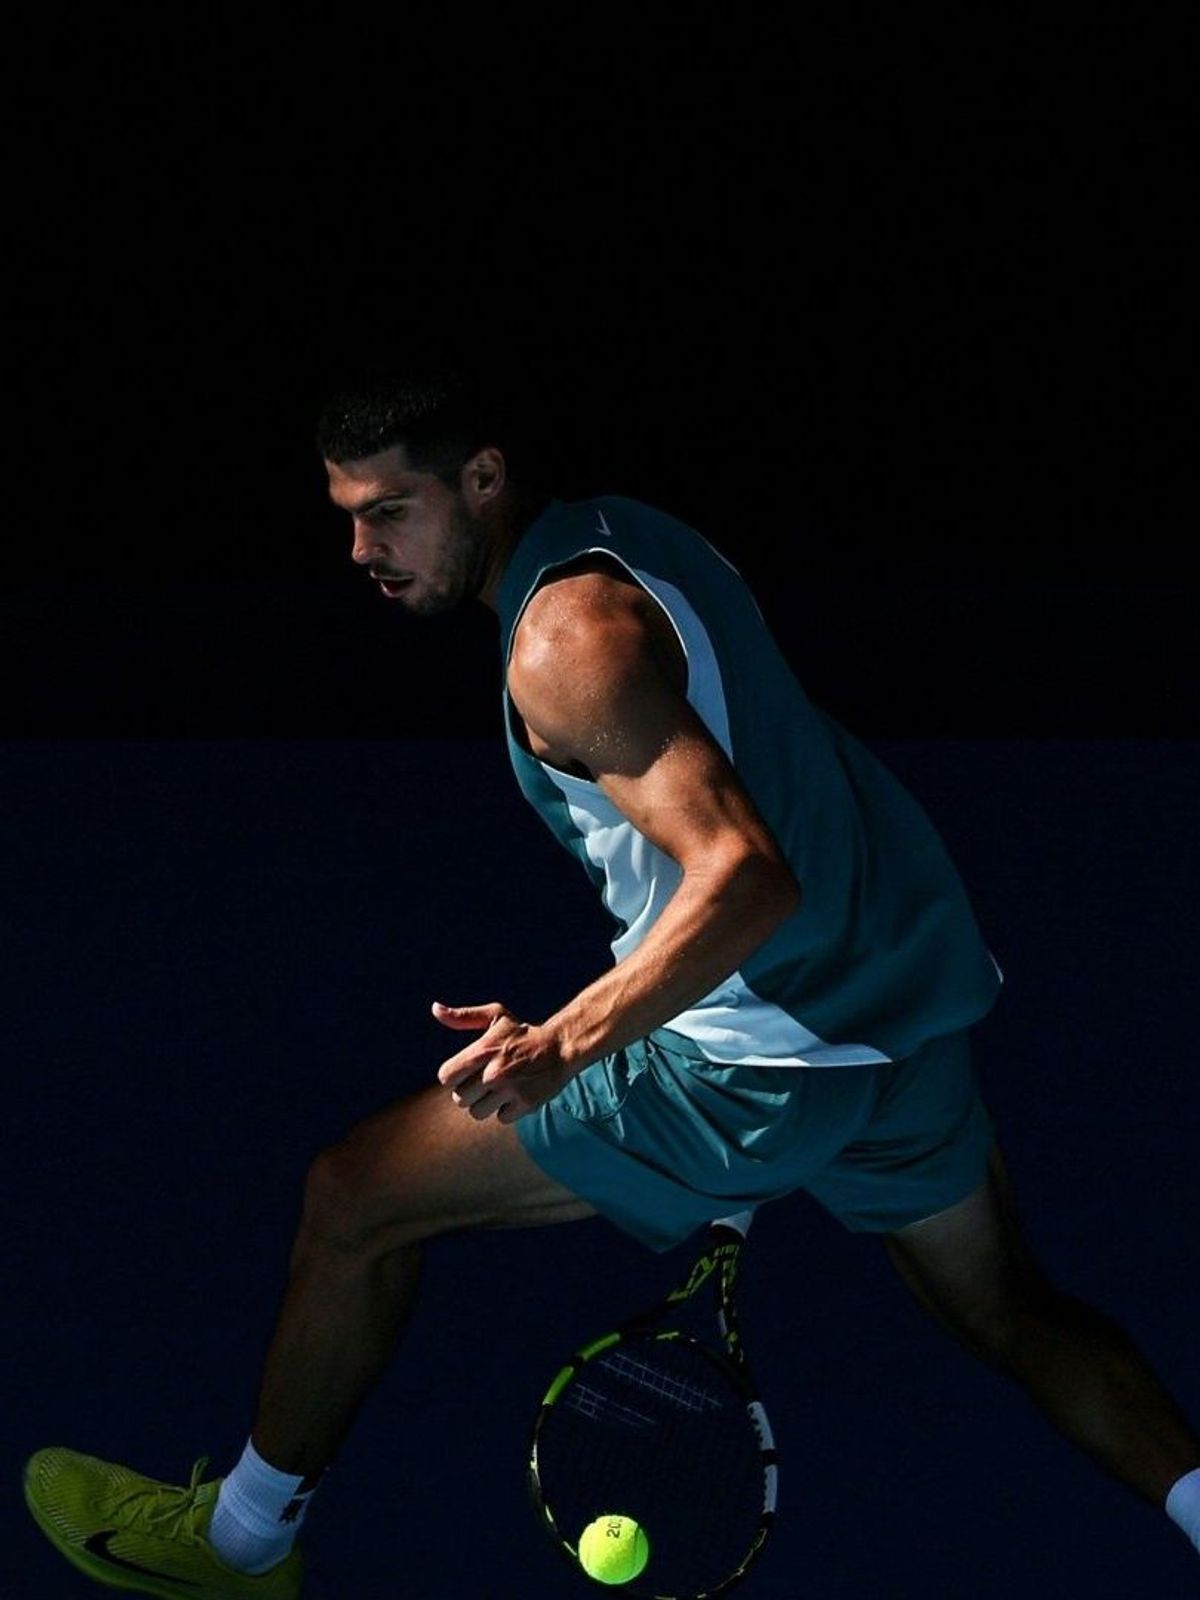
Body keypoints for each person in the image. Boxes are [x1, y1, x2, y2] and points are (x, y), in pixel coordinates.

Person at [24, 365, 1199, 1597]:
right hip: (899, 1023)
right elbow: (779, 777)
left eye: (391, 511)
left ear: (482, 477)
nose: (362, 548)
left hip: (752, 1065)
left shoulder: (559, 645)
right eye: (346, 517)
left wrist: (569, 1042)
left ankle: (238, 1546)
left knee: (355, 1198)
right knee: (1009, 1309)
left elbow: (744, 876)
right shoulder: (635, 539)